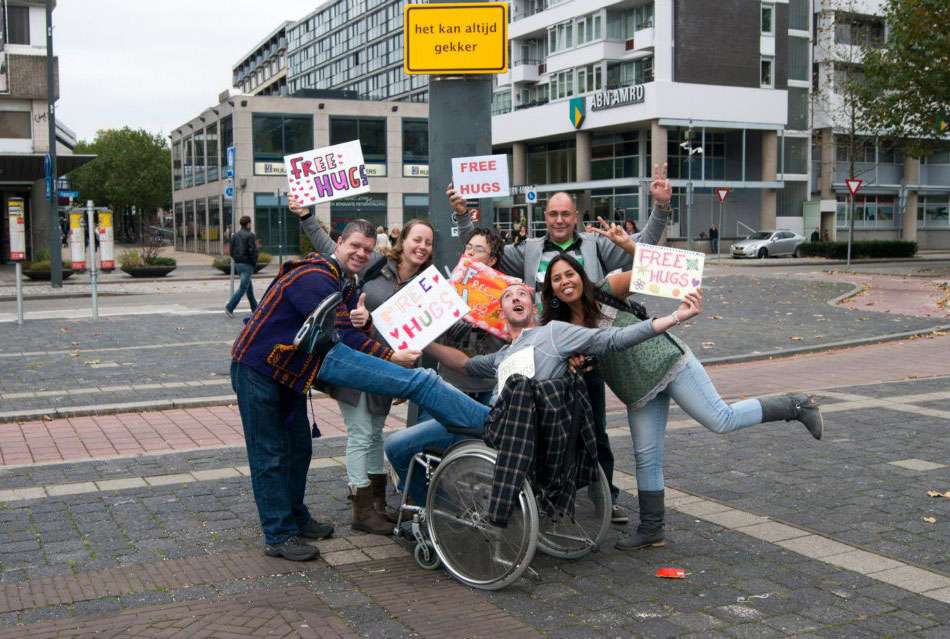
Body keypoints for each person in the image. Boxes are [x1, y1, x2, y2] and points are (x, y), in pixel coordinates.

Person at [543, 223, 824, 552]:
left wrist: (629, 246)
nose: (565, 282)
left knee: (721, 418)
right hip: (637, 390)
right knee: (646, 459)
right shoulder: (562, 329)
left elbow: (667, 273)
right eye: (557, 279)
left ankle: (796, 405)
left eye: (569, 274)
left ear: (580, 274)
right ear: (550, 289)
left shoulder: (605, 289)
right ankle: (651, 529)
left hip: (669, 364)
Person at [231, 218, 492, 561]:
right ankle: (278, 534)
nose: (360, 253)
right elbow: (334, 347)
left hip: (291, 374)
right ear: (338, 243)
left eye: (367, 250)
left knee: (298, 450)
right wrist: (399, 371)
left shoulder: (347, 283)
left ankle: (294, 516)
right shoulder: (315, 275)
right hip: (258, 369)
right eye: (354, 246)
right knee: (270, 454)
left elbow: (349, 335)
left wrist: (382, 346)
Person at [448, 164, 673, 524]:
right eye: (552, 213)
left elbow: (640, 248)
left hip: (586, 354)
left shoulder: (596, 245)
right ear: (545, 216)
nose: (558, 219)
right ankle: (544, 496)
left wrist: (660, 208)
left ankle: (605, 500)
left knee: (594, 428)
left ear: (576, 217)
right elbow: (480, 258)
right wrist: (463, 216)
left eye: (565, 213)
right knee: (542, 430)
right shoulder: (529, 250)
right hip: (543, 358)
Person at [384, 282, 702, 505]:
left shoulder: (554, 334)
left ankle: (396, 381)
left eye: (522, 293)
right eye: (509, 296)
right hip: (483, 425)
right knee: (396, 444)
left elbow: (612, 339)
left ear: (533, 306)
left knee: (425, 380)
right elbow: (465, 364)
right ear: (502, 311)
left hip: (515, 427)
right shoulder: (501, 356)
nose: (516, 297)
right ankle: (436, 511)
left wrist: (674, 318)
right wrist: (425, 343)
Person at [225, 215, 259, 318]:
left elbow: (231, 250)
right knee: (243, 288)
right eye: (250, 223)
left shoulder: (235, 235)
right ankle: (230, 307)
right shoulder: (250, 235)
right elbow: (252, 251)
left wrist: (236, 260)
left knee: (249, 289)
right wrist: (253, 263)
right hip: (247, 264)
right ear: (248, 224)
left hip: (238, 265)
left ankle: (256, 310)